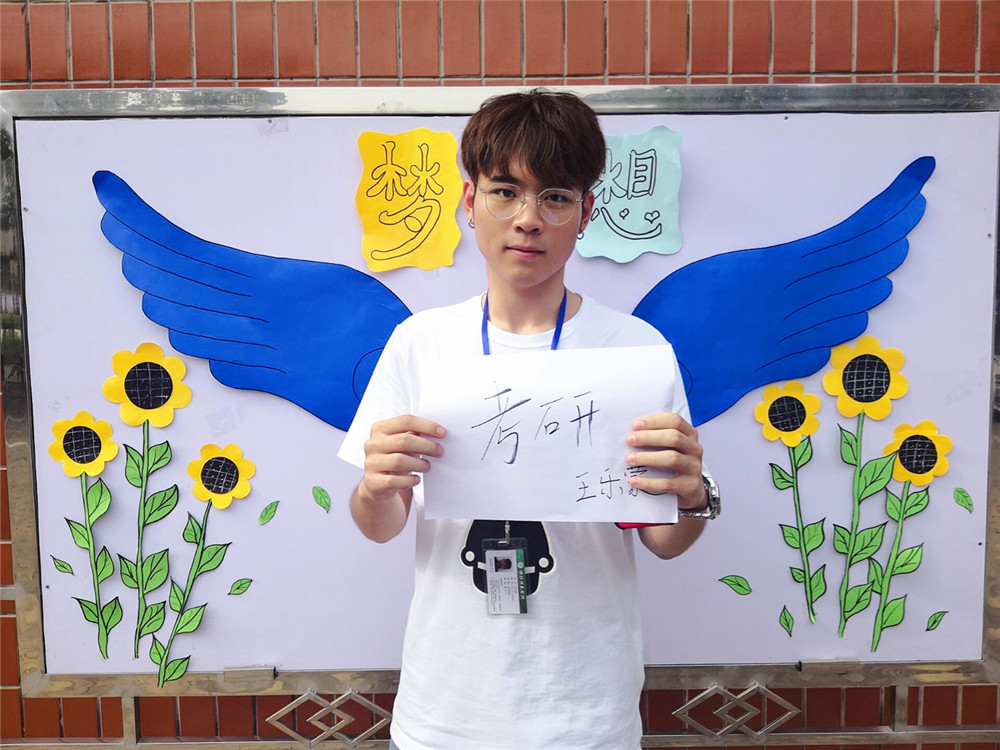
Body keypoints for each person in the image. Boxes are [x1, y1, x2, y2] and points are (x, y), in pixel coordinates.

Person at [338, 89, 719, 750]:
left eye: (555, 197)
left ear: (586, 212)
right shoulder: (420, 343)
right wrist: (374, 487)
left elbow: (664, 540)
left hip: (586, 716)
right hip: (445, 714)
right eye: (505, 192)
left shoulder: (635, 351)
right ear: (470, 201)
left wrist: (692, 497)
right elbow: (380, 525)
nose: (528, 219)